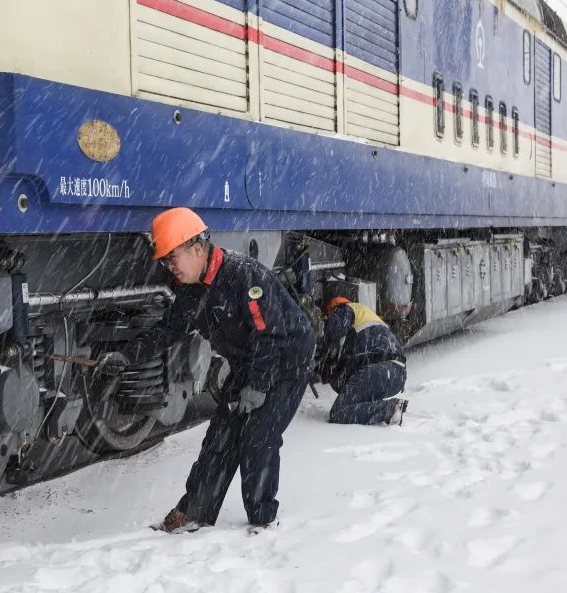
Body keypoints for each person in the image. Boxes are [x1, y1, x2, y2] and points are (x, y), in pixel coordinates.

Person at [143, 208, 315, 533]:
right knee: (220, 437)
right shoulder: (193, 290)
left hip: (286, 359)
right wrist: (128, 355)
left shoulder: (243, 276)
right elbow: (168, 331)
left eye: (172, 257)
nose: (169, 267)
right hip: (248, 362)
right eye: (164, 261)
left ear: (197, 248)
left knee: (259, 437)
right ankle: (194, 511)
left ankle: (262, 521)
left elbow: (270, 335)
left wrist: (258, 387)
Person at [319, 297, 408, 426]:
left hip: (379, 370)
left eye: (329, 316)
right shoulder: (367, 318)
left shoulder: (346, 309)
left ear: (334, 309)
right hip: (397, 376)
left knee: (338, 412)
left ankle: (391, 408)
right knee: (354, 402)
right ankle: (390, 408)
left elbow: (332, 332)